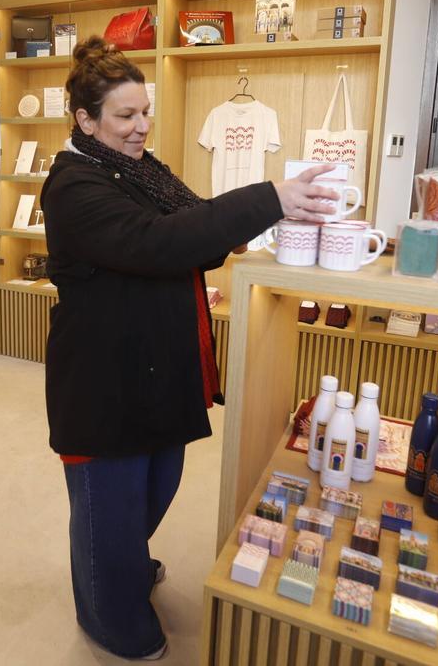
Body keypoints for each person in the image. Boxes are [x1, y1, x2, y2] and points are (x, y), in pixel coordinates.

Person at [41, 36, 339, 660]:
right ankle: (108, 614)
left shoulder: (142, 169)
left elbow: (198, 235)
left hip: (156, 368)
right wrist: (271, 198)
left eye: (144, 111)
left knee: (157, 484)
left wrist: (269, 217)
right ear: (85, 120)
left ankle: (119, 566)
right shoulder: (72, 185)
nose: (140, 126)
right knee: (108, 506)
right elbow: (156, 243)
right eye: (125, 116)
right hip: (104, 381)